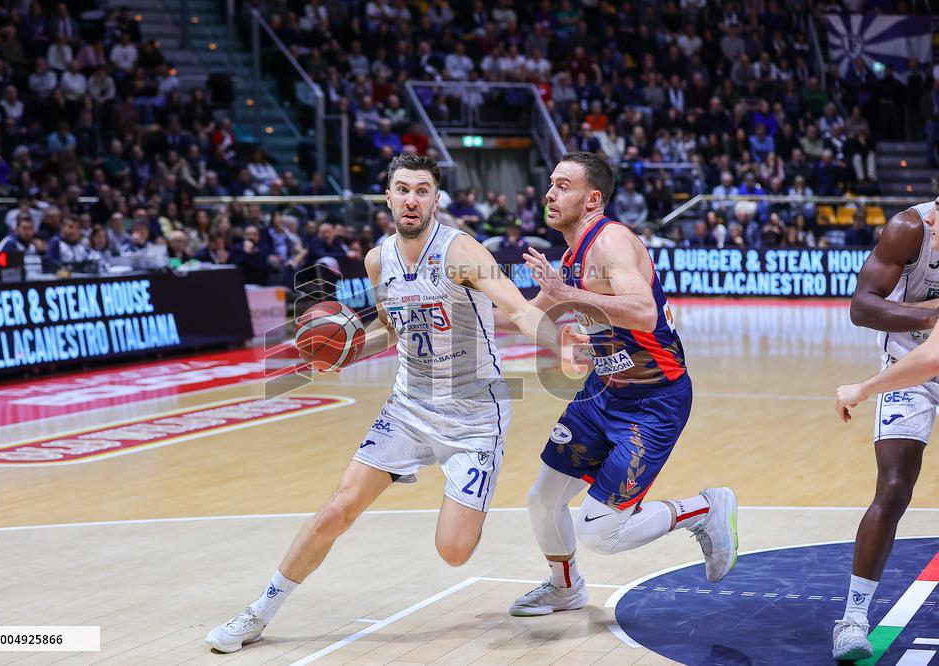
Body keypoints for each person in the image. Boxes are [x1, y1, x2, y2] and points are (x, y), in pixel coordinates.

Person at [205, 153, 558, 653]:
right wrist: (344, 354)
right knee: (337, 510)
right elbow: (393, 330)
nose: (411, 199)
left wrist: (560, 342)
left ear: (436, 199)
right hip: (409, 405)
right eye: (402, 189)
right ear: (388, 197)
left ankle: (471, 503)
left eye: (422, 190)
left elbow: (519, 308)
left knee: (454, 551)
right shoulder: (378, 259)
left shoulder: (461, 251)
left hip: (475, 413)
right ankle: (259, 611)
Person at [502, 152, 737, 617]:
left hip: (654, 400)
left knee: (600, 531)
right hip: (603, 391)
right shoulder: (570, 256)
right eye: (550, 183)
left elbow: (643, 311)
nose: (549, 193)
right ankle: (564, 588)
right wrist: (450, 316)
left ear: (592, 199)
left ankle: (704, 510)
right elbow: (525, 312)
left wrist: (567, 294)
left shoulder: (612, 243)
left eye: (562, 185)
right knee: (542, 500)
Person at [829, 195, 939, 661]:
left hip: (925, 357)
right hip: (905, 365)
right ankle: (853, 619)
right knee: (893, 488)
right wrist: (931, 314)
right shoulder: (909, 228)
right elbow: (861, 307)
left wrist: (861, 389)